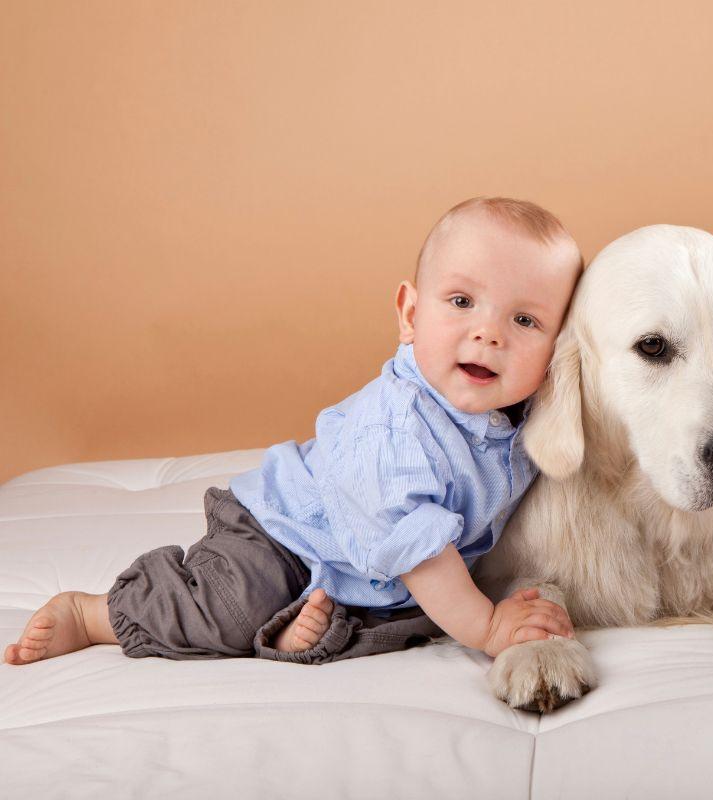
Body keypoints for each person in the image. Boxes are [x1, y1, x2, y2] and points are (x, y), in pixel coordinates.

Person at [5, 196, 584, 666]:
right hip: (282, 535)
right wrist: (488, 628)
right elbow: (423, 552)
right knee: (230, 606)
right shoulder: (394, 429)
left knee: (407, 622)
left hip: (367, 570)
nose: (489, 333)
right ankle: (95, 613)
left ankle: (285, 633)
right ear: (410, 315)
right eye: (461, 301)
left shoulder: (530, 412)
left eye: (524, 319)